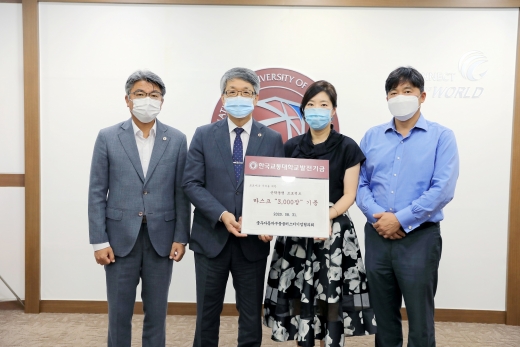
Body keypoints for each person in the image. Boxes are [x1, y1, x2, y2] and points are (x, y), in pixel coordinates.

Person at [264, 80, 377, 347]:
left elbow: (349, 193)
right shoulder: (290, 147)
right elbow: (280, 191)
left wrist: (324, 216)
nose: (317, 110)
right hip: (296, 233)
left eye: (323, 105)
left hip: (333, 232)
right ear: (303, 111)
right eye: (311, 105)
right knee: (299, 292)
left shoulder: (347, 146)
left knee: (330, 293)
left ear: (333, 110)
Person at [357, 66, 459, 347]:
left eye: (407, 91)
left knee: (419, 316)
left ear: (422, 96)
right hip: (377, 235)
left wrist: (400, 219)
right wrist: (379, 218)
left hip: (420, 237)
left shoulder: (441, 136)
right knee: (383, 314)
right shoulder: (372, 136)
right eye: (393, 92)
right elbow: (360, 184)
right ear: (386, 98)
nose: (400, 97)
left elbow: (442, 189)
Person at [182, 67, 284, 347]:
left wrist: (269, 223)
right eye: (232, 92)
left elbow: (278, 189)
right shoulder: (203, 135)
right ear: (223, 97)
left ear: (256, 97)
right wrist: (222, 214)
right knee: (206, 313)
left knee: (250, 315)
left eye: (245, 92)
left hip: (252, 244)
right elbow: (191, 183)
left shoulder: (272, 139)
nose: (239, 97)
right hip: (210, 238)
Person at [88, 70, 190, 347]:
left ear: (162, 102)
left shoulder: (177, 139)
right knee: (119, 313)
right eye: (141, 94)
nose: (148, 100)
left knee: (157, 313)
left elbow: (182, 193)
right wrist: (99, 240)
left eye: (154, 95)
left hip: (162, 238)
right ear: (128, 99)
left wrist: (181, 236)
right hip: (119, 240)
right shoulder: (108, 137)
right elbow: (97, 191)